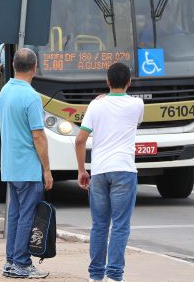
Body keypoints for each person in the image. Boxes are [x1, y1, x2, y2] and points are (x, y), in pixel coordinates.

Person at [74, 62, 144, 282]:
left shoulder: (95, 106)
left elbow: (80, 140)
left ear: (107, 81)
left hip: (100, 171)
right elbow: (136, 123)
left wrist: (81, 170)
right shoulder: (137, 105)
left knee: (99, 226)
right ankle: (114, 275)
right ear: (129, 82)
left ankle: (95, 276)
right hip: (124, 169)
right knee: (120, 226)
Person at [0, 48, 53, 279]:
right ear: (34, 67)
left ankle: (11, 261)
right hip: (28, 166)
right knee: (27, 216)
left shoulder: (5, 91)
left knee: (15, 215)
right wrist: (47, 169)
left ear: (13, 65)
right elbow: (38, 135)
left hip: (10, 165)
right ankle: (21, 263)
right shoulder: (31, 96)